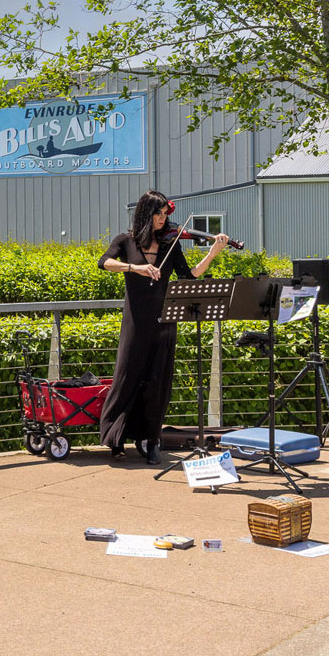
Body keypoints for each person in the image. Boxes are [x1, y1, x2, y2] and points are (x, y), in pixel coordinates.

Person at [97, 190, 229, 464]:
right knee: (127, 377)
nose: (163, 218)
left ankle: (150, 439)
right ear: (146, 214)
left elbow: (188, 275)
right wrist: (135, 268)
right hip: (136, 322)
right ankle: (115, 437)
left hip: (166, 321)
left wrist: (213, 252)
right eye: (158, 213)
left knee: (158, 382)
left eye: (165, 214)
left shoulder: (171, 243)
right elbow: (104, 262)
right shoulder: (125, 241)